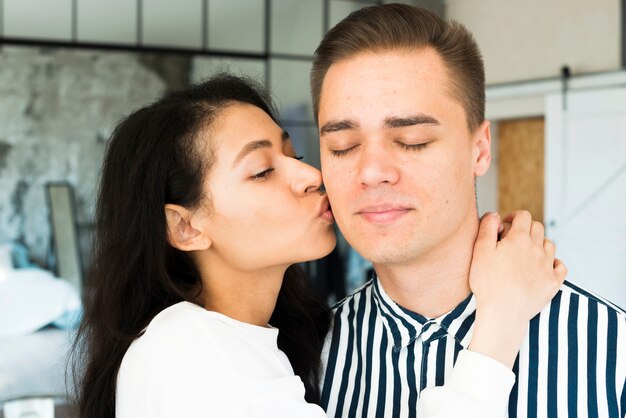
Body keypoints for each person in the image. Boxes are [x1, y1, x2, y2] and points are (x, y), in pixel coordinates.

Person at [73, 73, 560, 418]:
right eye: (263, 171)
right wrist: (501, 320)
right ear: (185, 228)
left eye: (294, 154)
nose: (312, 176)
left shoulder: (264, 343)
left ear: (479, 148)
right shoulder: (192, 350)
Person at [311, 4, 626, 418]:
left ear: (480, 149)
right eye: (343, 147)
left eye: (412, 139)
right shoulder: (306, 362)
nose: (371, 172)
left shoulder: (613, 352)